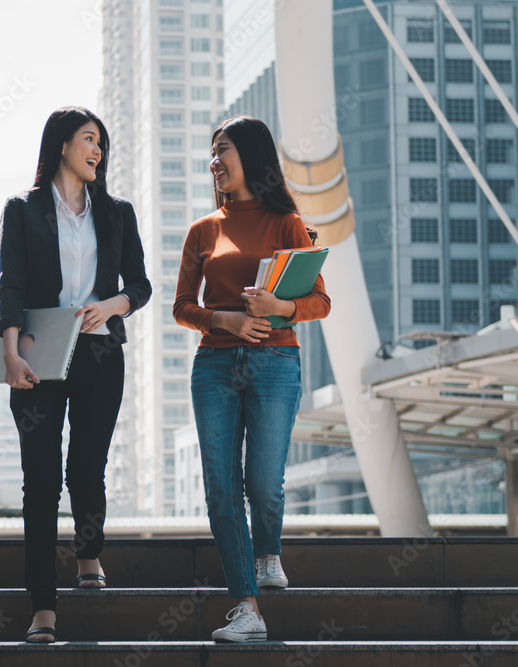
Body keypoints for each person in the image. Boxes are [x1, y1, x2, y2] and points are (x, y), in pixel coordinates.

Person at [172, 116, 330, 642]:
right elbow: (182, 307)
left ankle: (268, 552)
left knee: (263, 483)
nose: (215, 161)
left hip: (275, 363)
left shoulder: (288, 223)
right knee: (221, 488)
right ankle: (248, 609)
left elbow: (320, 301)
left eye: (224, 150)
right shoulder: (202, 230)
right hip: (214, 364)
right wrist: (226, 319)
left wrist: (277, 304)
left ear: (251, 156)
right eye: (212, 152)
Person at [0, 106, 151, 643]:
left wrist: (112, 306)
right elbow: (11, 287)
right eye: (89, 139)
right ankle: (43, 606)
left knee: (86, 468)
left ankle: (89, 553)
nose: (97, 151)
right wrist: (10, 354)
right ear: (62, 144)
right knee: (40, 481)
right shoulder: (22, 210)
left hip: (100, 354)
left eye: (102, 144)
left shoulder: (117, 213)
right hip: (39, 355)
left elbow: (141, 284)